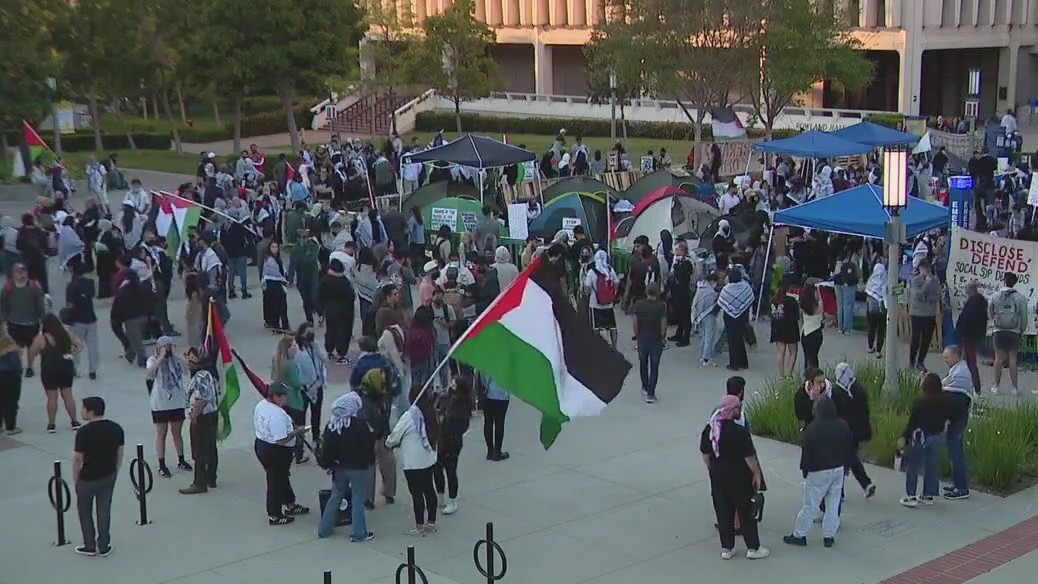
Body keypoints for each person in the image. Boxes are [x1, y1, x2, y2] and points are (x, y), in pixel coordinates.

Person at [700, 395, 769, 560]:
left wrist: (713, 469)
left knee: (723, 512)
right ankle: (753, 548)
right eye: (738, 407)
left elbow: (705, 454)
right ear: (732, 410)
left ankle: (727, 548)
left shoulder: (710, 430)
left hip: (718, 476)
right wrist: (757, 474)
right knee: (746, 512)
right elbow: (749, 457)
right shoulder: (738, 432)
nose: (740, 410)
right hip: (739, 477)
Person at [782, 397, 853, 548]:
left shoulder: (812, 428)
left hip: (818, 470)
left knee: (810, 505)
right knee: (833, 504)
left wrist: (805, 470)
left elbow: (807, 452)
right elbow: (849, 448)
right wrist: (846, 467)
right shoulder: (842, 425)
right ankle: (829, 536)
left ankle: (799, 535)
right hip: (838, 468)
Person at [317, 392, 376, 542]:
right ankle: (359, 533)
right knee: (357, 499)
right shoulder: (360, 425)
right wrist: (369, 461)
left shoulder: (332, 425)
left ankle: (324, 529)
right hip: (358, 468)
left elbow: (327, 449)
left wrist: (329, 464)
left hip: (340, 467)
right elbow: (369, 446)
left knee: (335, 496)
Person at [72, 396, 124, 557]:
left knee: (85, 511)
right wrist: (115, 471)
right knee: (104, 510)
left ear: (90, 411)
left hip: (87, 478)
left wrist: (76, 481)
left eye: (83, 408)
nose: (82, 411)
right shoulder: (116, 428)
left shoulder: (83, 432)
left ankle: (89, 545)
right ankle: (104, 544)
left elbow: (78, 459)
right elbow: (119, 453)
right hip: (108, 474)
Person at [386, 385, 440, 536]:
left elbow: (395, 436)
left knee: (417, 494)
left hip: (413, 463)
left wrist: (389, 443)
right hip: (428, 459)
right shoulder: (430, 412)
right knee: (429, 489)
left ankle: (419, 526)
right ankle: (432, 521)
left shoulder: (409, 416)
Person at [253, 382, 310, 525]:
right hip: (276, 451)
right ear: (276, 397)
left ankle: (290, 503)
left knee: (282, 477)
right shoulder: (276, 415)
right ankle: (275, 514)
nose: (286, 399)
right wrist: (297, 432)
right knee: (275, 481)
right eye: (284, 396)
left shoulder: (262, 405)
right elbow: (281, 440)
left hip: (262, 444)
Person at [350, 351, 399, 509]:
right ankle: (383, 494)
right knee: (386, 464)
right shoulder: (380, 396)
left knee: (374, 465)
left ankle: (371, 496)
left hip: (373, 435)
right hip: (379, 433)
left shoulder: (364, 395)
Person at [898, 373, 951, 507]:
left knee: (913, 466)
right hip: (937, 436)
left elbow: (912, 423)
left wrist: (905, 436)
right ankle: (928, 494)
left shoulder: (920, 403)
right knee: (932, 466)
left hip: (920, 436)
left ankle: (911, 496)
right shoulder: (945, 401)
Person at [144, 337, 191, 478]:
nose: (168, 349)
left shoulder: (176, 360)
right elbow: (150, 374)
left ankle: (181, 459)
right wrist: (161, 357)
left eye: (170, 346)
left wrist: (176, 356)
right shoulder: (152, 360)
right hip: (160, 404)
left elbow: (186, 370)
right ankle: (161, 464)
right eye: (165, 346)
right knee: (161, 434)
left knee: (177, 433)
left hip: (176, 402)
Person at [29, 313, 82, 433]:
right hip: (66, 366)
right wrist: (72, 353)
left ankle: (51, 424)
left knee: (52, 397)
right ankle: (74, 421)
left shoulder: (41, 338)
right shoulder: (65, 333)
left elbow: (32, 352)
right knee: (68, 395)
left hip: (49, 369)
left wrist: (29, 366)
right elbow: (79, 345)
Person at [180, 348, 221, 493]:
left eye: (192, 359)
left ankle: (199, 482)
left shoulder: (201, 376)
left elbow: (203, 397)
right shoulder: (210, 373)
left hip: (203, 417)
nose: (189, 362)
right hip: (211, 415)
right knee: (210, 448)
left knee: (199, 450)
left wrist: (194, 414)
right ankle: (211, 478)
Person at [832, 363, 875, 498]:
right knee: (849, 458)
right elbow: (865, 412)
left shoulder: (836, 391)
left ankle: (857, 486)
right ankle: (864, 484)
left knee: (845, 460)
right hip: (857, 431)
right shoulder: (859, 389)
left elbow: (835, 412)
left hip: (843, 432)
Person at [435, 375, 472, 516]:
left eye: (454, 384)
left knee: (450, 469)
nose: (451, 385)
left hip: (452, 442)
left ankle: (452, 500)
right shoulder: (447, 399)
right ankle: (440, 495)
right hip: (441, 439)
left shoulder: (462, 407)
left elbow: (460, 427)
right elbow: (438, 408)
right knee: (437, 468)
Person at [0, 261, 46, 377]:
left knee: (28, 347)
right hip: (18, 323)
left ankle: (27, 367)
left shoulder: (30, 287)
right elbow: (3, 304)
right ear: (13, 273)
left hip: (27, 323)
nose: (21, 274)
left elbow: (40, 303)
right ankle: (23, 367)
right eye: (19, 271)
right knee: (20, 348)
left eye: (23, 271)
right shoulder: (11, 287)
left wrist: (42, 318)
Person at [941, 346, 974, 501]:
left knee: (956, 452)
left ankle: (961, 488)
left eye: (947, 357)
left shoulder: (960, 374)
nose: (944, 360)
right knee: (953, 450)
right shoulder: (958, 369)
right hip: (957, 415)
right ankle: (958, 484)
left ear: (956, 356)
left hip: (957, 417)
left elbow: (951, 394)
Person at [989, 271, 1029, 395]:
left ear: (1004, 281)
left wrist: (994, 323)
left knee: (998, 358)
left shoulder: (995, 296)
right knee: (1013, 359)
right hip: (1014, 331)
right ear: (1015, 282)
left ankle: (996, 386)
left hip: (999, 331)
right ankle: (1014, 388)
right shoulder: (1020, 298)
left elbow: (990, 312)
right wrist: (1020, 330)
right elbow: (1024, 317)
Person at [271, 337, 308, 464]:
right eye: (293, 346)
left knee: (287, 426)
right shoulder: (291, 364)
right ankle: (299, 454)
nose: (295, 347)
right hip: (294, 398)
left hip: (282, 399)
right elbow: (297, 382)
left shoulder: (277, 362)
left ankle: (287, 452)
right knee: (299, 426)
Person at [294, 323, 328, 445]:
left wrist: (317, 349)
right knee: (301, 416)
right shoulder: (297, 350)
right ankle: (300, 442)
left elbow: (324, 359)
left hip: (318, 385)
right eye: (307, 333)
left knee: (316, 412)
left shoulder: (315, 347)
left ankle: (316, 435)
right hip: (304, 388)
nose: (310, 336)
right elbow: (297, 369)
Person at [633, 283, 667, 402]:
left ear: (646, 292)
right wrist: (663, 337)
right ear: (657, 293)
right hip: (656, 340)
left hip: (643, 338)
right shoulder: (661, 306)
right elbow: (663, 324)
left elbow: (636, 323)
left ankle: (644, 387)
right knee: (654, 366)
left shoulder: (638, 305)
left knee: (643, 363)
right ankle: (651, 394)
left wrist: (638, 336)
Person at [66, 261, 100, 380]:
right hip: (91, 317)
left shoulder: (71, 285)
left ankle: (74, 368)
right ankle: (92, 370)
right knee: (93, 346)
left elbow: (69, 304)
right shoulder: (90, 283)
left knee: (75, 346)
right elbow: (94, 295)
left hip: (77, 320)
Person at [319, 259, 356, 364]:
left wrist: (322, 310)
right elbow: (351, 296)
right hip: (346, 311)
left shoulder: (325, 280)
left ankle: (330, 350)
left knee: (331, 331)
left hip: (330, 310)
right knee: (344, 332)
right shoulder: (344, 281)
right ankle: (341, 353)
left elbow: (320, 296)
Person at [954, 282, 987, 394]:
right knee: (968, 360)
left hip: (969, 335)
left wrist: (961, 331)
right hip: (975, 335)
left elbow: (966, 319)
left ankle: (974, 386)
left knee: (969, 361)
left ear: (971, 290)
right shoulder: (982, 302)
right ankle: (969, 383)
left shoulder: (972, 304)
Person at [908, 262, 941, 372]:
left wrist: (927, 298)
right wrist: (926, 284)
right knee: (915, 338)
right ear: (920, 269)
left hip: (929, 314)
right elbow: (917, 295)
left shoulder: (935, 280)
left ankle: (921, 361)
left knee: (926, 339)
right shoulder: (915, 280)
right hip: (917, 313)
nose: (926, 271)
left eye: (928, 268)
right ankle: (911, 361)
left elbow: (937, 295)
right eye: (924, 269)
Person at [718, 270, 754, 371]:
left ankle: (734, 364)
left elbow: (721, 302)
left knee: (732, 340)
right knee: (740, 338)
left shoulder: (726, 289)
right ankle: (743, 362)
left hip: (729, 318)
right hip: (743, 316)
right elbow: (750, 299)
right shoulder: (746, 287)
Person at [586, 250, 620, 348]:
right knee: (612, 326)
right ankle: (614, 346)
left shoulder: (592, 272)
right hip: (608, 304)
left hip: (595, 304)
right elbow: (616, 282)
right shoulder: (610, 270)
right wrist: (613, 293)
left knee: (595, 327)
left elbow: (587, 287)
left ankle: (596, 346)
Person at [288, 230, 322, 326]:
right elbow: (292, 264)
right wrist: (290, 278)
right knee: (305, 300)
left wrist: (302, 260)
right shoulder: (295, 249)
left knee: (313, 297)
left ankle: (320, 313)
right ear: (298, 239)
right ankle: (309, 320)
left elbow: (312, 259)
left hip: (312, 275)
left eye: (305, 237)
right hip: (301, 277)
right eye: (302, 238)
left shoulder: (312, 246)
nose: (304, 239)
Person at [770, 283, 800, 377]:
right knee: (793, 352)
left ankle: (781, 375)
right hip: (791, 328)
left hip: (777, 328)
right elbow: (797, 316)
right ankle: (789, 374)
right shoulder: (792, 300)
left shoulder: (773, 300)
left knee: (780, 353)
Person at [261, 241, 291, 333]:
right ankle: (276, 326)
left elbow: (283, 270)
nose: (275, 249)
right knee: (276, 307)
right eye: (273, 247)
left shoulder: (278, 259)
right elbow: (269, 273)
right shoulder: (269, 260)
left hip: (280, 285)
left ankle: (285, 326)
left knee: (283, 306)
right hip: (272, 285)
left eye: (276, 247)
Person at [669, 242, 695, 346]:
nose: (676, 252)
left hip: (683, 290)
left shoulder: (687, 261)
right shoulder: (677, 260)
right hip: (677, 290)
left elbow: (684, 274)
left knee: (685, 315)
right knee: (679, 313)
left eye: (678, 250)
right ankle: (679, 333)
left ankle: (686, 337)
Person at [693, 272, 721, 367]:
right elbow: (712, 305)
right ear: (712, 281)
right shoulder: (710, 292)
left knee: (704, 336)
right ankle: (706, 358)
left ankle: (702, 356)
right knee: (710, 337)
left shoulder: (700, 289)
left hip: (700, 315)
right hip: (709, 315)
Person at [481, 374, 510, 461]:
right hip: (502, 394)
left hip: (489, 393)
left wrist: (487, 387)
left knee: (488, 422)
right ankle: (497, 452)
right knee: (500, 422)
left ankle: (490, 451)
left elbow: (483, 377)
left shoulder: (487, 360)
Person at [0, 324, 23, 434]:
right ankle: (10, 427)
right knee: (11, 400)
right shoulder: (8, 344)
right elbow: (15, 362)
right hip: (9, 373)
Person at [864, 261, 887, 357]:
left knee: (871, 328)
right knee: (881, 330)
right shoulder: (886, 280)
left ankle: (870, 347)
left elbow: (867, 293)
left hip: (871, 310)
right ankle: (878, 351)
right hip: (882, 309)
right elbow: (887, 293)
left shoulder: (871, 281)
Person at [800, 283, 824, 373]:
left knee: (807, 357)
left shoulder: (803, 305)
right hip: (815, 333)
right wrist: (819, 292)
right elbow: (821, 303)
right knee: (814, 357)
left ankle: (807, 374)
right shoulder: (818, 306)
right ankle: (815, 375)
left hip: (805, 332)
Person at [833, 255, 859, 334]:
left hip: (838, 281)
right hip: (849, 283)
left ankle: (840, 327)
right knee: (848, 305)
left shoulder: (839, 257)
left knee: (840, 305)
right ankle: (847, 328)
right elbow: (857, 272)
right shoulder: (853, 257)